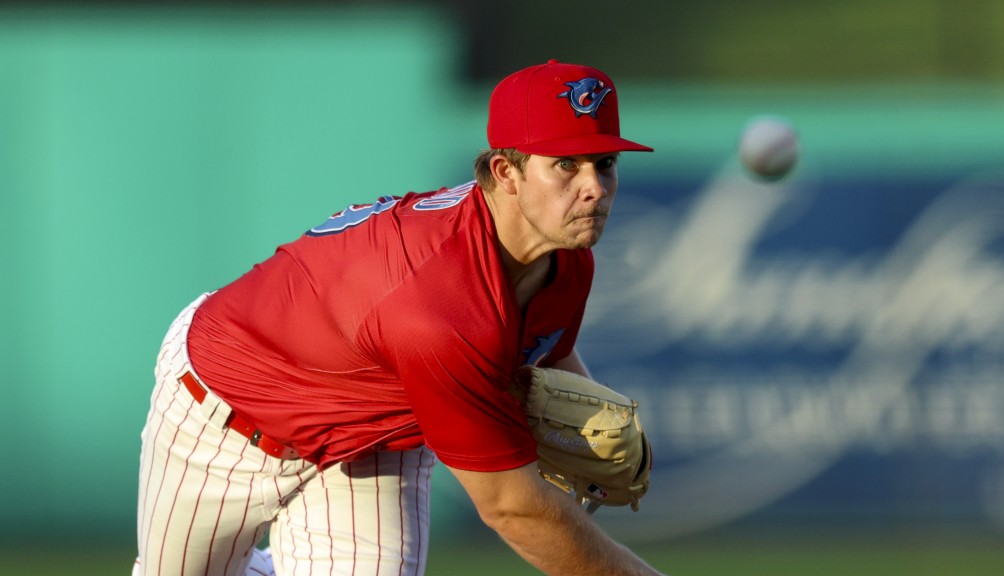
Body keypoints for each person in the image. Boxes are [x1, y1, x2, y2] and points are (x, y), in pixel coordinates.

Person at [135, 59, 665, 576]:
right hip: (226, 408)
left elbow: (543, 346)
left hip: (373, 438)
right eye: (566, 164)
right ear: (506, 172)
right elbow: (511, 507)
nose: (594, 187)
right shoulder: (439, 305)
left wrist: (594, 433)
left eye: (606, 163)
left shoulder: (567, 259)